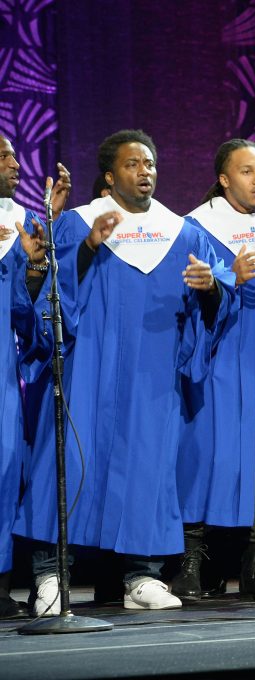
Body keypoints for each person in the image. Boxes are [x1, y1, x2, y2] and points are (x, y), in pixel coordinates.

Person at [15, 129, 229, 615]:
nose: (145, 171)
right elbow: (50, 291)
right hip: (86, 366)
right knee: (65, 457)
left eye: (150, 163)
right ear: (110, 176)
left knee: (149, 467)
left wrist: (211, 288)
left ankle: (141, 576)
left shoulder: (184, 232)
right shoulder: (76, 224)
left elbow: (213, 304)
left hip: (152, 374)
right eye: (133, 164)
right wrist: (88, 247)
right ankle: (50, 574)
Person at [174, 139, 255, 602]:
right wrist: (228, 277)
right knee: (208, 454)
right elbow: (189, 296)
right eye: (248, 172)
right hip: (219, 355)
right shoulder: (196, 227)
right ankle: (193, 567)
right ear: (225, 178)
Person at [0, 134, 69, 618]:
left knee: (5, 471)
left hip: (4, 371)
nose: (15, 163)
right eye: (2, 156)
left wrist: (37, 260)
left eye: (14, 154)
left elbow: (27, 316)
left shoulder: (25, 224)